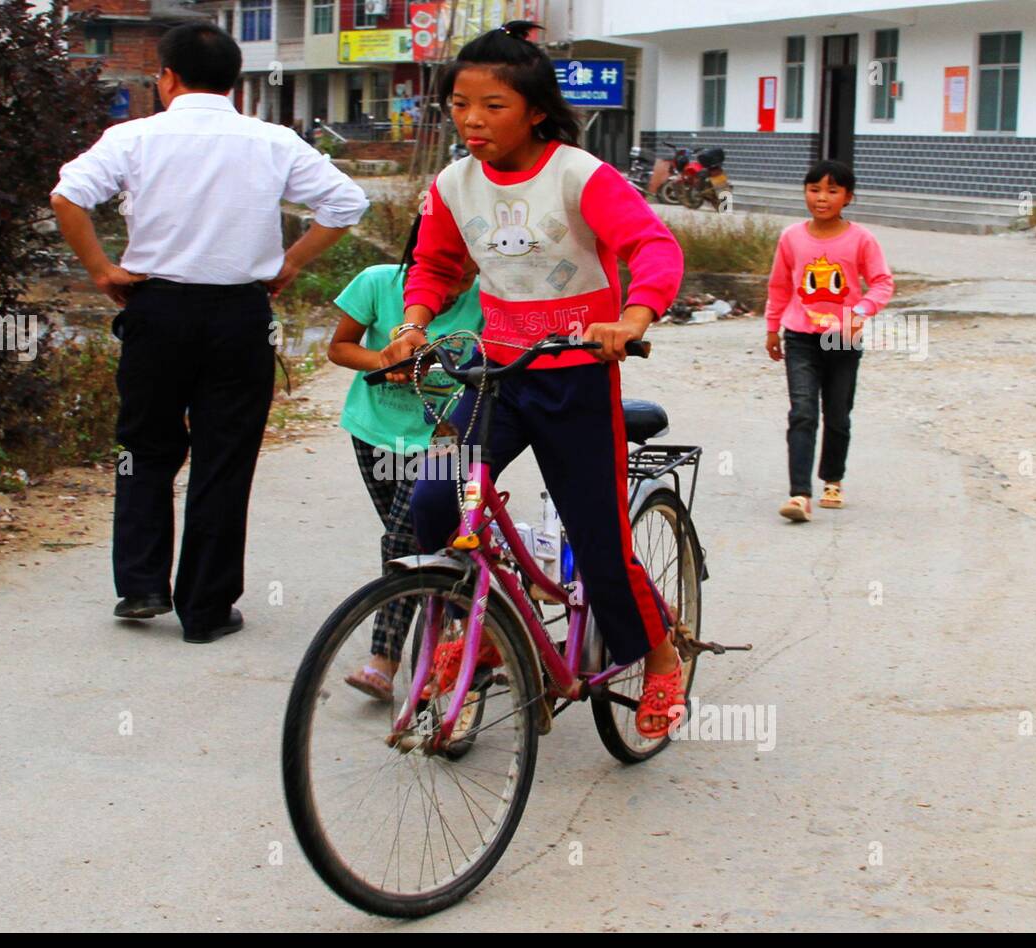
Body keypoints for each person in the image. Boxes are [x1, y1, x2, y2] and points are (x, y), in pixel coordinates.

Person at [383, 21, 687, 739]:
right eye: (459, 104)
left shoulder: (579, 175)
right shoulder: (454, 183)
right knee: (433, 502)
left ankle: (662, 656)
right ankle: (482, 626)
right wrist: (415, 319)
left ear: (536, 111)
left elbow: (652, 245)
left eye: (492, 105)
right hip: (493, 377)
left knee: (598, 540)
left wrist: (634, 315)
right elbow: (435, 263)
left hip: (576, 378)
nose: (471, 121)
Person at [50, 23, 369, 642]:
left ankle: (141, 585)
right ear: (234, 82)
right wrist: (292, 261)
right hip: (237, 316)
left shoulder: (134, 136)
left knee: (143, 448)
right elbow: (346, 205)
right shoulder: (272, 141)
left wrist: (99, 270)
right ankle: (205, 608)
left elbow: (69, 197)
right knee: (225, 457)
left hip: (155, 310)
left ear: (166, 77)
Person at [327, 215, 482, 700]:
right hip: (373, 434)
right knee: (429, 542)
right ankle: (471, 620)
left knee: (403, 538)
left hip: (442, 439)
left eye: (466, 271)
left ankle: (384, 659)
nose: (455, 284)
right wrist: (382, 360)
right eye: (445, 270)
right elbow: (339, 347)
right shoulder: (377, 283)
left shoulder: (490, 302)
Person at [764, 159, 894, 522]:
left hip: (842, 340)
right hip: (800, 336)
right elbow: (778, 285)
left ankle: (832, 480)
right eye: (814, 189)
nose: (822, 198)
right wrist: (773, 327)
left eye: (832, 191)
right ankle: (799, 494)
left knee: (837, 414)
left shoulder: (861, 239)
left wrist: (861, 311)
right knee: (802, 413)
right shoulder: (791, 237)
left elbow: (882, 282)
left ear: (848, 197)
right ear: (805, 193)